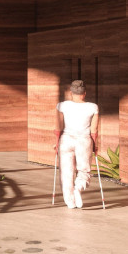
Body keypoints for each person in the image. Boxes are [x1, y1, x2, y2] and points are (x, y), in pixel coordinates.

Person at [54, 79, 99, 209]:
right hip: (83, 140)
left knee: (66, 172)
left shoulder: (62, 105)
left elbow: (58, 127)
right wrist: (95, 145)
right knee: (84, 169)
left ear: (71, 93)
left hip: (66, 139)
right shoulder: (93, 107)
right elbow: (94, 130)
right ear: (84, 93)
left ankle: (70, 202)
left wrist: (57, 142)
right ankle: (78, 188)